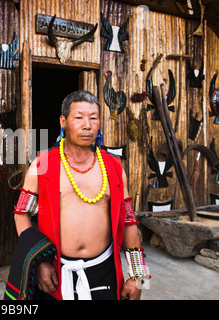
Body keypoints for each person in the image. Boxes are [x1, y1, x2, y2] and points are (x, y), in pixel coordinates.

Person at [13, 90, 150, 300]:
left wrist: (139, 277)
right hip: (55, 273)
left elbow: (129, 220)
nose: (87, 125)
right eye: (79, 117)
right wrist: (39, 261)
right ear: (63, 121)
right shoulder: (42, 165)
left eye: (93, 118)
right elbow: (21, 213)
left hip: (104, 272)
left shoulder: (113, 166)